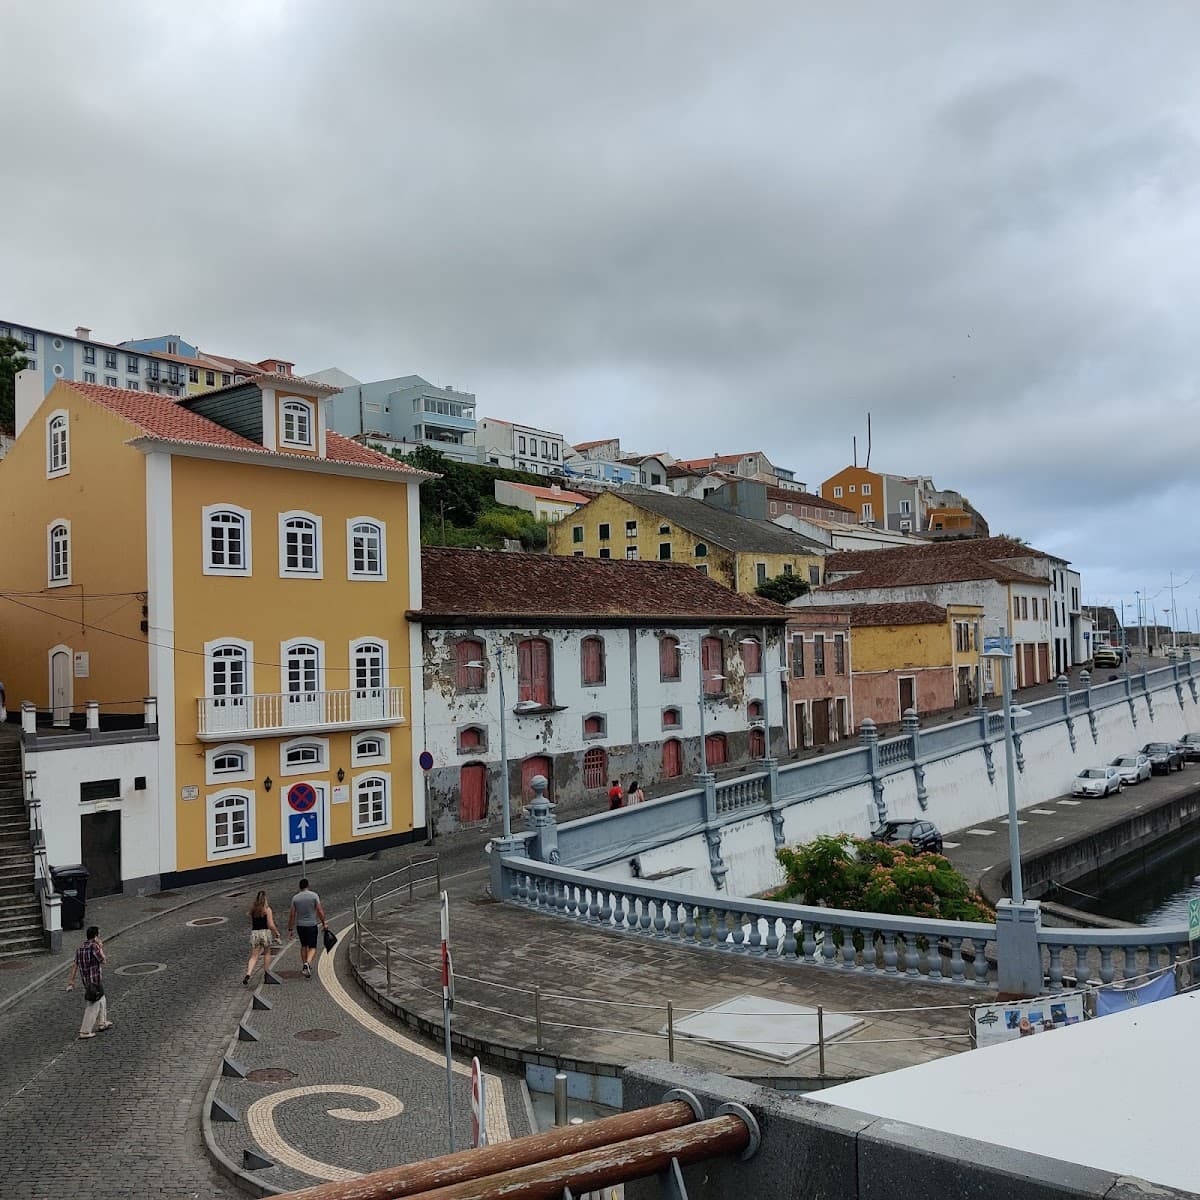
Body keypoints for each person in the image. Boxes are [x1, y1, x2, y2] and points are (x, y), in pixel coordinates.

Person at [67, 925, 112, 1039]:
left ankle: (102, 1022)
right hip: (95, 980)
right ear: (96, 936)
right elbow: (103, 960)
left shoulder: (80, 948)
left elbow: (75, 965)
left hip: (86, 981)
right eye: (99, 934)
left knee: (102, 999)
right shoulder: (94, 947)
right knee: (93, 1005)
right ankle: (85, 1031)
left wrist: (71, 980)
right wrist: (100, 946)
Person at [287, 878, 328, 978]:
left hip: (300, 925)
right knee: (312, 947)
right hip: (311, 925)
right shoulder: (314, 896)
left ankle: (305, 965)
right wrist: (324, 923)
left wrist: (290, 929)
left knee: (303, 945)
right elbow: (320, 911)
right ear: (308, 885)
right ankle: (307, 964)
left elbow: (292, 915)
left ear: (299, 887)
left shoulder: (295, 898)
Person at [243, 890, 281, 986]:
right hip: (265, 933)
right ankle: (266, 974)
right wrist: (276, 933)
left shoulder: (253, 909)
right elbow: (271, 924)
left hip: (255, 933)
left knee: (254, 956)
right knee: (267, 953)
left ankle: (248, 973)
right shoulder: (267, 909)